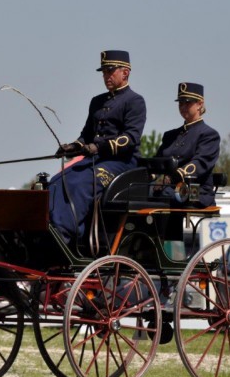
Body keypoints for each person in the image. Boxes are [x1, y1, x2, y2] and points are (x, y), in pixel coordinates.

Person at [49, 50, 147, 244]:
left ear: (125, 73)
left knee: (80, 183)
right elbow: (86, 134)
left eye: (110, 71)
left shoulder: (135, 101)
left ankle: (67, 235)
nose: (106, 76)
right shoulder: (97, 101)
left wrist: (98, 147)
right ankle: (51, 227)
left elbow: (130, 138)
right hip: (96, 160)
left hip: (122, 163)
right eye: (103, 72)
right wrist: (73, 147)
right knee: (56, 180)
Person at [154, 82, 220, 207]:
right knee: (137, 192)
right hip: (169, 189)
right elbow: (157, 162)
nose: (183, 106)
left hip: (196, 191)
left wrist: (170, 178)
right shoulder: (170, 135)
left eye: (187, 103)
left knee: (162, 195)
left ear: (200, 104)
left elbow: (200, 164)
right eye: (180, 103)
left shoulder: (209, 135)